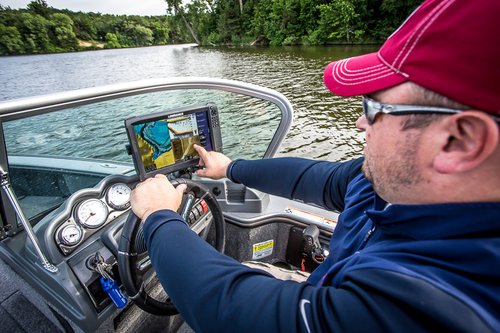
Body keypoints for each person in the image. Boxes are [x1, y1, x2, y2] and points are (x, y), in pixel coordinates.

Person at [130, 0, 500, 331]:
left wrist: (159, 216)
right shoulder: (400, 182)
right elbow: (318, 180)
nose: (359, 123)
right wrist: (230, 168)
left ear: (459, 141)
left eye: (374, 107)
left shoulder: (443, 298)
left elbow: (228, 311)